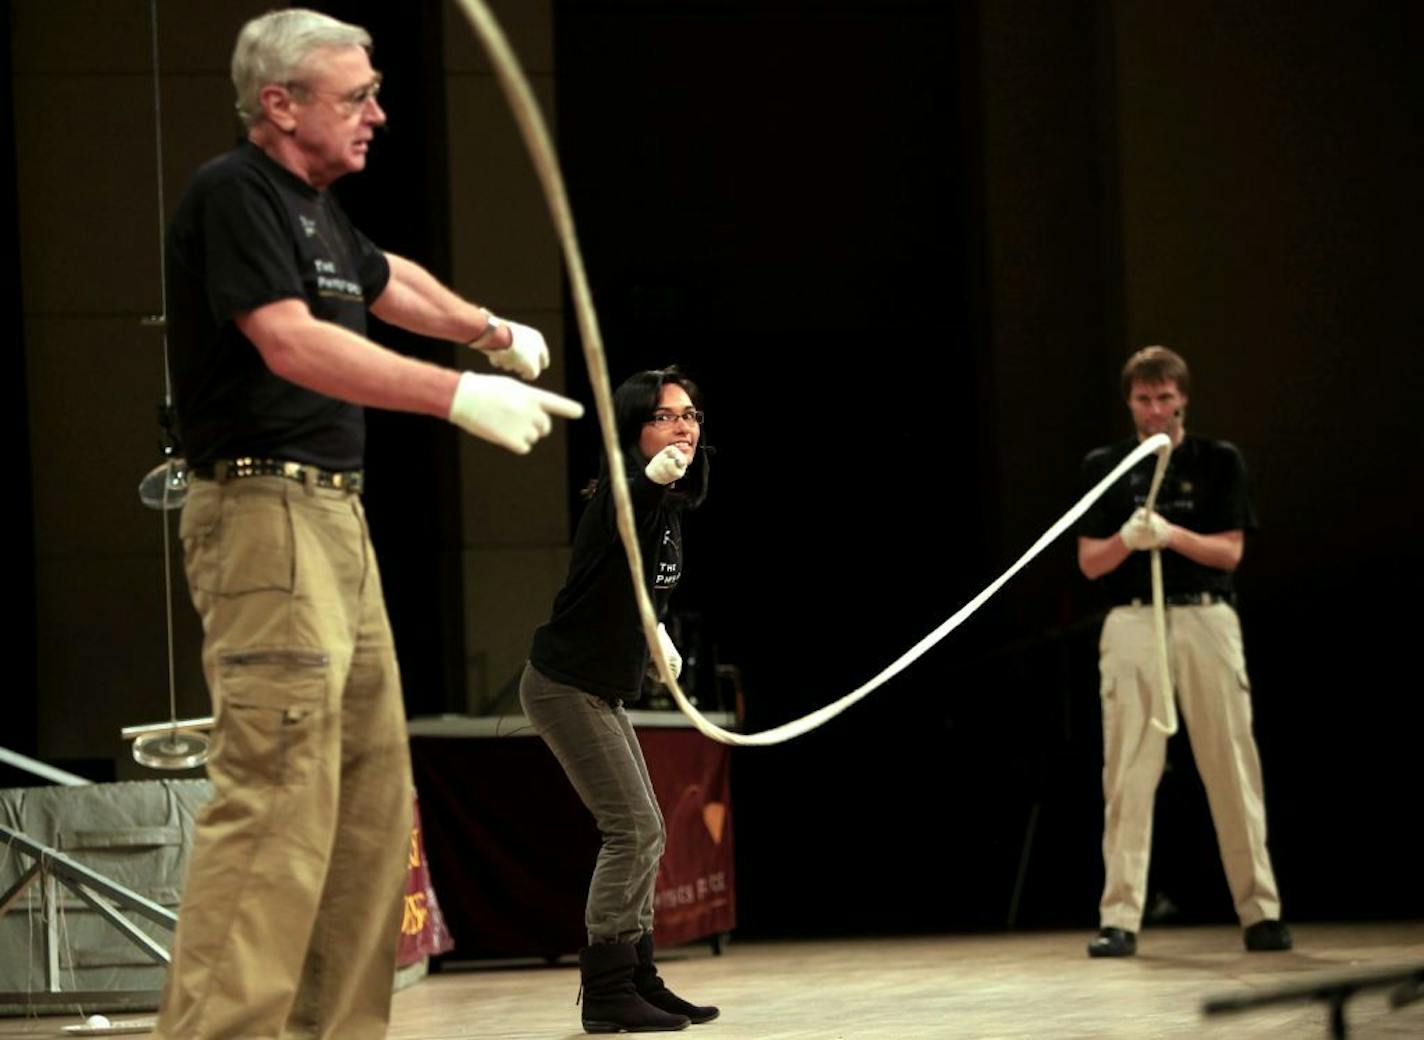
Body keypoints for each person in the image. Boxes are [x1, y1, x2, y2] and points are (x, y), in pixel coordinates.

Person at [156, 10, 583, 1039]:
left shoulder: (319, 215)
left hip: (335, 523)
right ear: (280, 103)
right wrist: (454, 397)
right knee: (278, 790)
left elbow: (390, 285)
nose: (378, 115)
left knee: (366, 803)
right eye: (356, 97)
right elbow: (292, 344)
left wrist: (490, 332)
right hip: (263, 513)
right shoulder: (234, 195)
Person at [519, 368, 719, 1033]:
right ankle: (606, 987)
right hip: (564, 685)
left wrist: (656, 632)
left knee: (650, 829)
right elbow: (623, 508)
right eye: (666, 416)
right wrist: (650, 478)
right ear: (635, 430)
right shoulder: (621, 494)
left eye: (691, 414)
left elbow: (637, 587)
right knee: (631, 829)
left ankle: (637, 974)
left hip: (600, 689)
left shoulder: (667, 513)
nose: (684, 426)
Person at [1076, 345, 1290, 959]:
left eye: (1165, 398)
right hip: (1134, 622)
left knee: (1231, 763)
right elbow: (1091, 563)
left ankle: (1261, 912)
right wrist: (1126, 538)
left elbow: (1229, 554)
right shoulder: (1106, 465)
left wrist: (1170, 534)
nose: (1155, 410)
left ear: (1183, 399)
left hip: (1204, 617)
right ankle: (1118, 918)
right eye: (1144, 399)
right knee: (1127, 773)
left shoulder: (1218, 461)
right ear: (1130, 404)